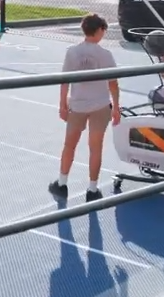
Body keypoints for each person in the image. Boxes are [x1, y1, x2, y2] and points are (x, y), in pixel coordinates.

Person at [48, 14, 120, 202]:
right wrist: (116, 106)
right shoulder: (105, 55)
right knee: (96, 147)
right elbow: (113, 83)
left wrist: (62, 104)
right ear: (99, 30)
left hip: (78, 104)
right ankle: (92, 189)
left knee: (69, 144)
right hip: (100, 105)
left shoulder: (72, 52)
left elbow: (64, 81)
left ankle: (62, 183)